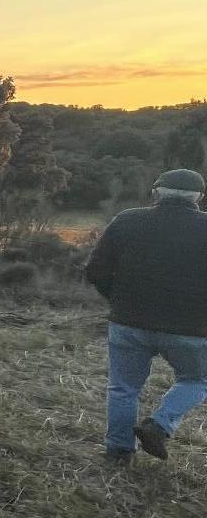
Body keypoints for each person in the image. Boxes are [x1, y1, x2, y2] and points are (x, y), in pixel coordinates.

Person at [84, 166, 207, 460]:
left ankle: (118, 451)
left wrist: (119, 301)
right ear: (199, 197)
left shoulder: (127, 219)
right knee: (197, 380)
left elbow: (95, 270)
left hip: (128, 323)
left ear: (155, 193)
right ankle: (159, 425)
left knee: (123, 389)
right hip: (189, 328)